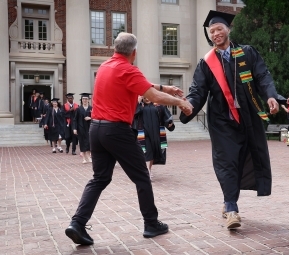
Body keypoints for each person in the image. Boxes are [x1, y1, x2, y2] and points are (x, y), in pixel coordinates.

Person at [65, 32, 193, 245]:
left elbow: (140, 85)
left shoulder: (105, 66)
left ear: (115, 49)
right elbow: (151, 96)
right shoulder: (128, 70)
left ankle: (77, 223)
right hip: (117, 131)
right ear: (134, 52)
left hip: (96, 130)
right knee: (142, 176)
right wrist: (180, 102)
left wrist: (165, 87)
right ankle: (151, 223)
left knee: (100, 178)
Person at [179, 10, 284, 230]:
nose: (215, 34)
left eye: (219, 29)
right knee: (226, 162)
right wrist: (188, 107)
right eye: (212, 31)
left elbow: (263, 77)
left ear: (229, 29)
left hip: (247, 119)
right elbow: (198, 91)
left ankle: (229, 202)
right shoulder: (206, 63)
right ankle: (231, 207)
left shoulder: (247, 53)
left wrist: (271, 96)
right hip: (222, 122)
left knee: (243, 160)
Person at [134, 96, 175, 181]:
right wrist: (137, 102)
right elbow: (134, 114)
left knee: (152, 153)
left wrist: (169, 123)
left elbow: (166, 117)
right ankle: (147, 172)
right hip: (143, 134)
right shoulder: (140, 106)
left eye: (148, 96)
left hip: (156, 134)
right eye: (145, 97)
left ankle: (148, 170)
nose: (147, 98)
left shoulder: (158, 106)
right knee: (146, 152)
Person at [73, 93, 93, 164]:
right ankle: (84, 158)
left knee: (89, 142)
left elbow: (96, 117)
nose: (85, 100)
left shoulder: (91, 108)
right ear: (81, 100)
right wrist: (74, 128)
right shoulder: (78, 109)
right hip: (81, 127)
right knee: (82, 142)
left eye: (86, 99)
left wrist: (90, 118)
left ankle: (88, 156)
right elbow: (75, 119)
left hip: (89, 127)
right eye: (83, 99)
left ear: (88, 100)